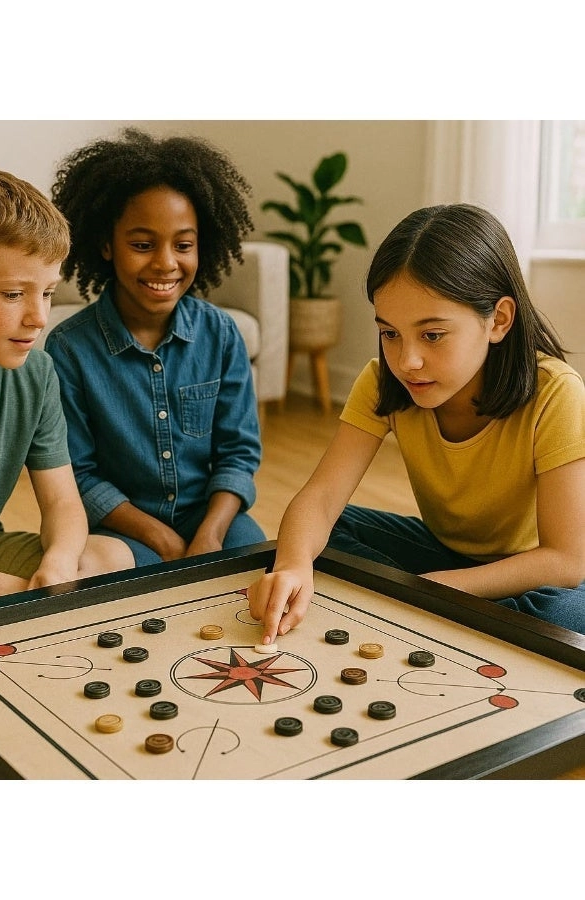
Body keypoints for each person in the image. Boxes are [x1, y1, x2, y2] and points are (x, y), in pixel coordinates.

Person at [248, 203, 585, 640]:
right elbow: (322, 497)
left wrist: (433, 588)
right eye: (390, 333)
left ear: (498, 320)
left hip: (536, 573)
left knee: (563, 616)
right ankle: (455, 614)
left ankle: (421, 603)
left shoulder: (556, 393)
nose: (407, 360)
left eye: (432, 335)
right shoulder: (381, 382)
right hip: (444, 553)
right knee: (329, 531)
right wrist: (293, 565)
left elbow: (566, 558)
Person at [44, 128, 265, 567]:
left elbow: (238, 453)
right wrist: (163, 541)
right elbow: (79, 475)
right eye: (142, 245)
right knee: (95, 572)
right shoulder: (69, 350)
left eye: (183, 245)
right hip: (123, 528)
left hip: (211, 521)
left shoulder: (221, 335)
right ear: (106, 245)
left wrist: (210, 534)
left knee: (264, 567)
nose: (166, 262)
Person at [0, 168, 135, 612]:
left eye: (48, 294)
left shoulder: (36, 373)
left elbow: (62, 501)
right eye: (15, 294)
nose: (39, 317)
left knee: (109, 555)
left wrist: (58, 565)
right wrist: (27, 595)